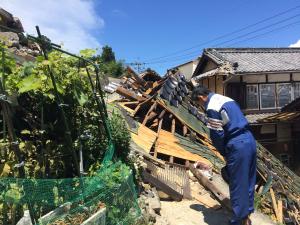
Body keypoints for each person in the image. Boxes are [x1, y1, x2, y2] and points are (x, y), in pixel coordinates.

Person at [191, 85, 256, 225]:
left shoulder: (211, 107)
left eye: (199, 103)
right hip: (249, 139)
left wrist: (224, 153)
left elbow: (217, 134)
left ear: (201, 97)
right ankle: (247, 215)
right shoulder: (226, 99)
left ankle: (239, 221)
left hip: (237, 143)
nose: (201, 106)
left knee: (237, 183)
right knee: (249, 180)